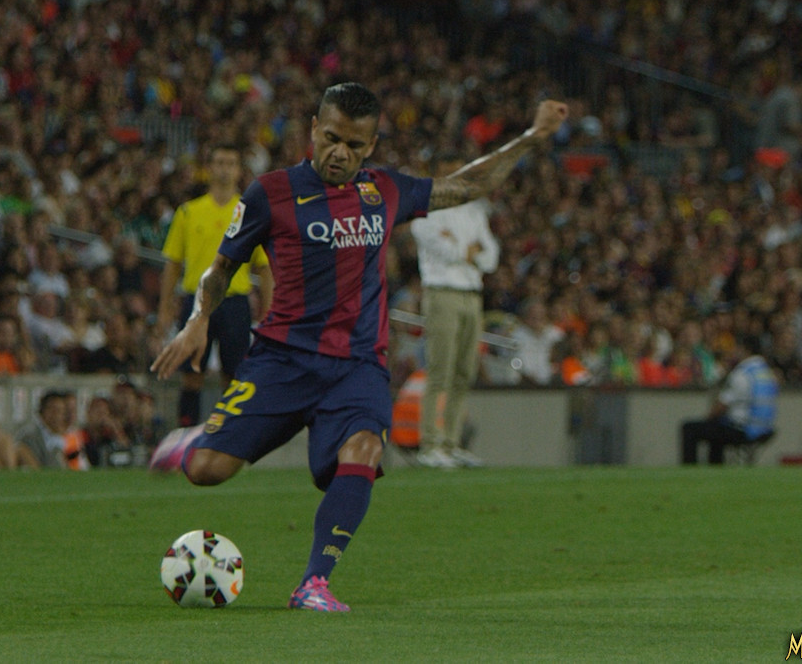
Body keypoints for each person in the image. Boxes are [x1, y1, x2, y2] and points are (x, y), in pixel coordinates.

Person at [152, 82, 568, 611]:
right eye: (331, 138)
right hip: (283, 360)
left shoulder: (385, 191)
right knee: (208, 471)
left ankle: (314, 583)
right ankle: (193, 442)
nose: (339, 153)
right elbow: (221, 267)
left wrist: (531, 137)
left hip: (357, 366)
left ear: (370, 145)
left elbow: (466, 185)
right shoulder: (270, 193)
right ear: (313, 130)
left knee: (366, 450)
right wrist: (197, 320)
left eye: (353, 144)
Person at [155, 143, 274, 427]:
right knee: (191, 374)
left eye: (230, 163)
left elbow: (264, 266)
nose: (224, 169)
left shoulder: (249, 213)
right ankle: (186, 435)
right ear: (209, 168)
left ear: (239, 171)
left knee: (234, 377)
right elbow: (173, 264)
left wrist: (269, 309)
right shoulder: (188, 212)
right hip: (196, 301)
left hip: (234, 302)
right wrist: (164, 308)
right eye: (219, 162)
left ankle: (228, 438)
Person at [409, 152, 499, 469]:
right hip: (442, 292)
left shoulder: (474, 210)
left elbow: (491, 256)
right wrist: (468, 250)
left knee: (464, 372)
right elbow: (439, 247)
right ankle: (430, 444)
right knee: (440, 370)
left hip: (472, 295)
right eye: (450, 172)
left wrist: (465, 250)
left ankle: (451, 442)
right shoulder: (427, 210)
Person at [680, 338, 779, 465]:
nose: (734, 352)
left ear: (745, 350)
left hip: (742, 429)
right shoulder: (767, 373)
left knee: (690, 428)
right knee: (716, 431)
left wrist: (708, 418)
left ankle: (691, 469)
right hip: (764, 428)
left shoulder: (742, 373)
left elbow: (722, 406)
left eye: (737, 348)